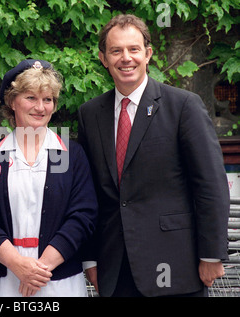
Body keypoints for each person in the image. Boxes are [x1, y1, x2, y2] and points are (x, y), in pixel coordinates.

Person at [78, 14, 230, 297]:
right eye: (116, 51)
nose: (126, 58)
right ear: (103, 58)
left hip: (177, 266)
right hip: (116, 270)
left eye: (134, 49)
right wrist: (90, 257)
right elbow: (89, 193)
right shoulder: (90, 114)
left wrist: (212, 255)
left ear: (147, 54)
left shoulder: (183, 106)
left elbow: (210, 184)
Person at [0, 59, 98, 297]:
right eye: (31, 97)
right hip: (0, 282)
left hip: (58, 281)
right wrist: (18, 265)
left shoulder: (73, 155)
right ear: (12, 102)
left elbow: (83, 216)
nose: (40, 107)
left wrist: (40, 269)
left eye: (47, 99)